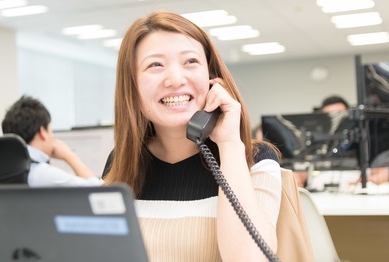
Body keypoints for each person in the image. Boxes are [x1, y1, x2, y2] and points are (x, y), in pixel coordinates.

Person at [101, 11, 282, 261]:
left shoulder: (255, 159)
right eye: (155, 65)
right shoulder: (122, 163)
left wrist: (229, 145)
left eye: (190, 62)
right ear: (131, 87)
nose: (175, 79)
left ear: (211, 79)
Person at [1, 95, 100, 187]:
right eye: (50, 130)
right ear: (43, 132)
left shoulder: (2, 169)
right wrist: (70, 156)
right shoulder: (41, 173)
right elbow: (100, 190)